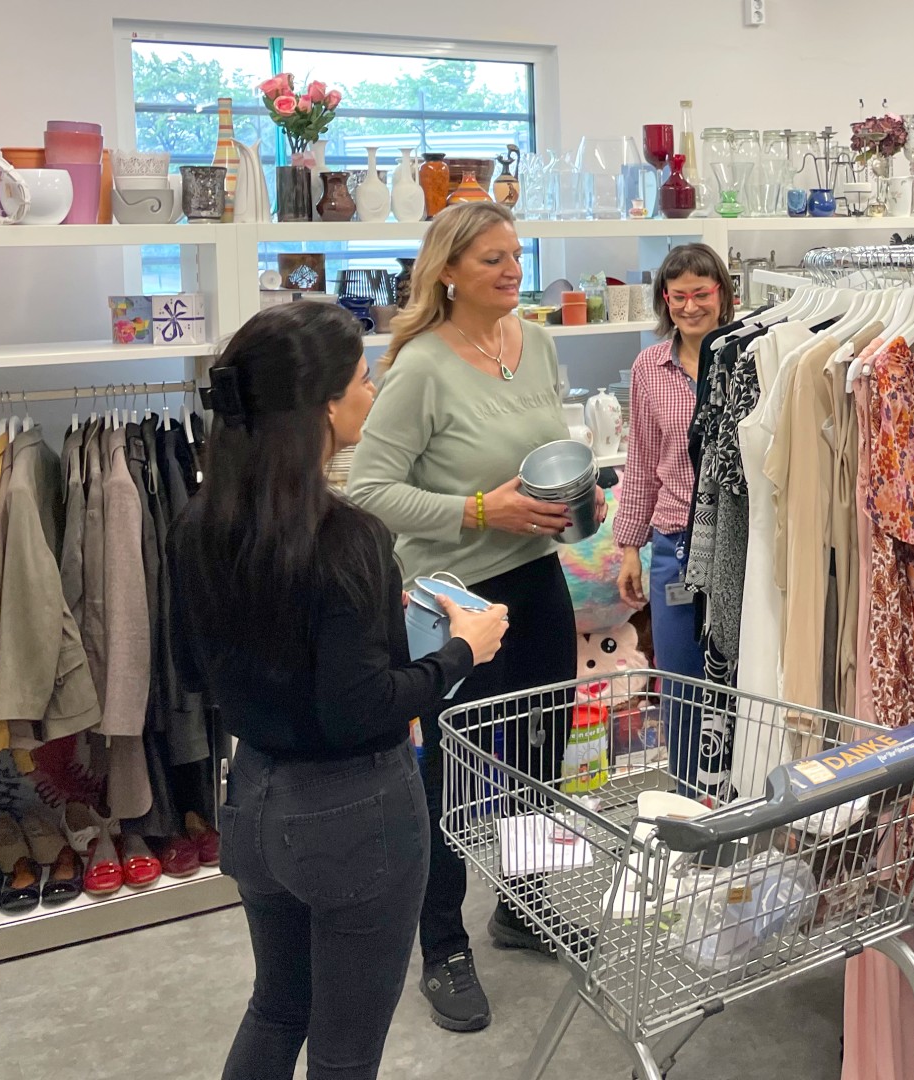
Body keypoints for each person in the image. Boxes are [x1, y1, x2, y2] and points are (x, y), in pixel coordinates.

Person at [170, 302, 509, 1080]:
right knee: (346, 1054)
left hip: (252, 798)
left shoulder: (200, 524)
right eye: (363, 376)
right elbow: (360, 711)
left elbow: (195, 670)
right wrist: (462, 650)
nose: (373, 388)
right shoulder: (347, 538)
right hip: (357, 816)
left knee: (277, 1007)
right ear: (324, 404)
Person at [347, 200, 598, 1033]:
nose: (510, 270)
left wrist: (579, 499)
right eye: (491, 258)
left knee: (537, 756)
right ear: (447, 270)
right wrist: (481, 511)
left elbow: (547, 456)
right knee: (445, 779)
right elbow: (370, 491)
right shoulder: (419, 366)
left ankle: (522, 908)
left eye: (515, 255)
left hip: (537, 586)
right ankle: (442, 943)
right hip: (452, 603)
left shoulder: (540, 341)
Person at [613, 244, 735, 788]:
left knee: (738, 674)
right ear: (665, 299)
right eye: (678, 295)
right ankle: (687, 795)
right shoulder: (649, 368)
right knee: (680, 679)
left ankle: (740, 793)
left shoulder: (746, 359)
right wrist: (628, 548)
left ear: (722, 296)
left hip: (735, 538)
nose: (689, 307)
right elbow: (639, 460)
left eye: (700, 294)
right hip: (674, 542)